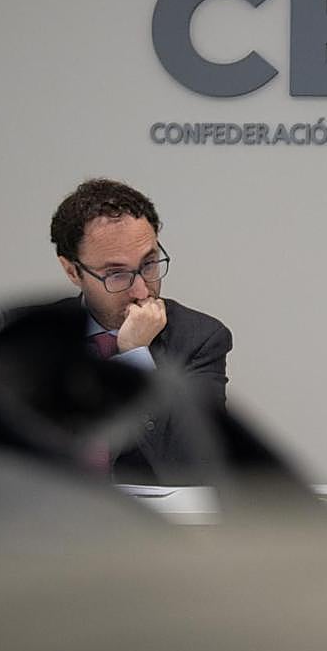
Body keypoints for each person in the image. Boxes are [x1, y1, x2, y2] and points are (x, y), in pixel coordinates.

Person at [49, 178, 232, 484]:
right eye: (116, 274)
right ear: (72, 271)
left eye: (149, 264)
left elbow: (196, 467)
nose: (142, 290)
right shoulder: (34, 339)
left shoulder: (199, 338)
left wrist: (135, 357)